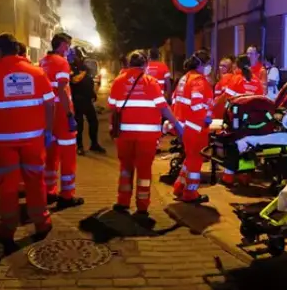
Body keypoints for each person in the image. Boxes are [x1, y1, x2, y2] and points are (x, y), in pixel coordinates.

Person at [0, 33, 54, 254]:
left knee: (8, 187)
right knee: (36, 181)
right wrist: (48, 131)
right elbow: (50, 105)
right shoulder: (37, 73)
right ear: (18, 51)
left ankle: (7, 230)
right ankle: (42, 222)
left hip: (3, 144)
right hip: (34, 140)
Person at [109, 50, 184, 215]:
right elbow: (163, 107)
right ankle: (142, 205)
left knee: (126, 168)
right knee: (144, 171)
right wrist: (176, 125)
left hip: (124, 134)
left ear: (129, 64)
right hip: (147, 137)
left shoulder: (118, 81)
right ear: (145, 65)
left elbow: (112, 106)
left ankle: (122, 201)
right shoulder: (150, 82)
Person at [40, 33, 83, 209]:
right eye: (68, 45)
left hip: (47, 113)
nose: (69, 49)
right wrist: (69, 115)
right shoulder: (61, 63)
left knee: (51, 154)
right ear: (62, 45)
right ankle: (67, 195)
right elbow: (63, 90)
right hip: (61, 114)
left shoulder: (43, 61)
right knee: (68, 155)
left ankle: (49, 191)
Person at [172, 49, 214, 204]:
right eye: (209, 64)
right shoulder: (198, 81)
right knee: (195, 159)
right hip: (196, 127)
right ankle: (190, 193)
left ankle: (179, 187)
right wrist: (206, 119)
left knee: (189, 158)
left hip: (185, 126)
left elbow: (175, 99)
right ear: (202, 64)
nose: (210, 68)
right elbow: (197, 105)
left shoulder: (185, 78)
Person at [218, 54, 264, 185]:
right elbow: (260, 99)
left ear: (236, 66)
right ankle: (245, 176)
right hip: (253, 121)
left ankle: (228, 177)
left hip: (237, 120)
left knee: (232, 145)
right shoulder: (256, 80)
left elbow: (228, 100)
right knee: (248, 146)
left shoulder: (235, 79)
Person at [70, 46, 105, 155]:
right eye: (78, 56)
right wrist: (84, 72)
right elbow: (74, 80)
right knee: (79, 123)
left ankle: (94, 144)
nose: (80, 59)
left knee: (93, 121)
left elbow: (88, 81)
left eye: (80, 57)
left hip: (86, 98)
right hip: (77, 99)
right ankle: (79, 146)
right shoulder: (70, 68)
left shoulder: (84, 67)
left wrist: (92, 93)